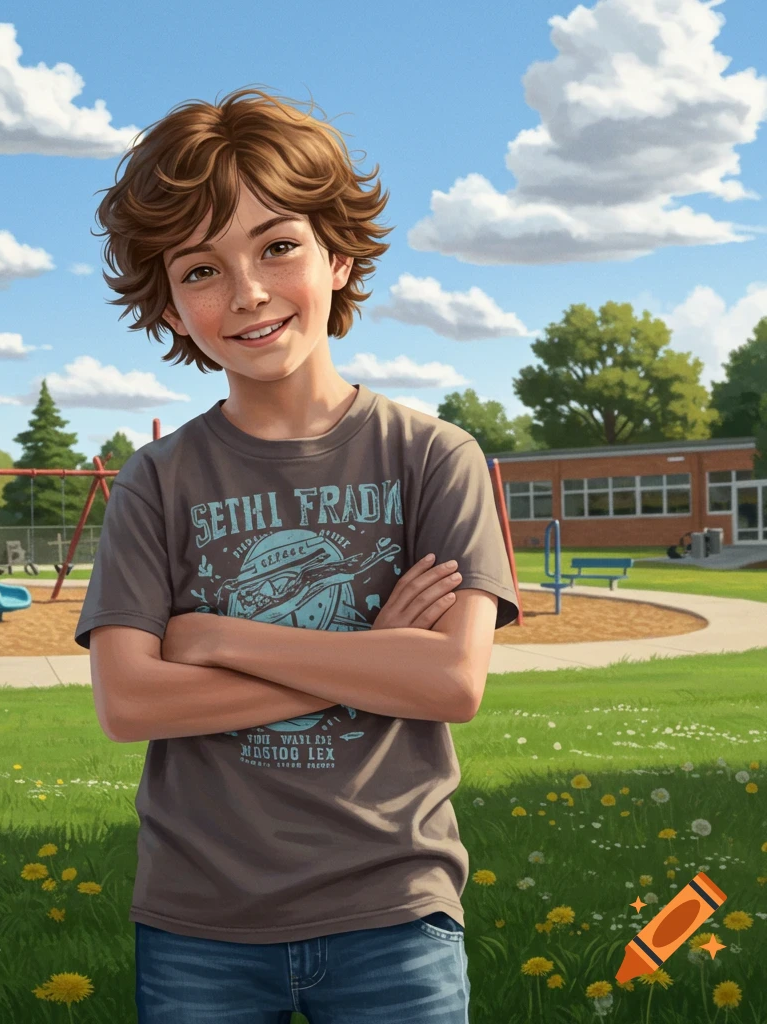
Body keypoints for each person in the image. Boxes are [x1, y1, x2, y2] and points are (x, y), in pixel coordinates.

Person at [75, 86, 520, 1024]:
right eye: (200, 269)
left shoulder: (434, 457)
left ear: (338, 254)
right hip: (199, 920)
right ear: (168, 304)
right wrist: (371, 659)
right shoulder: (155, 482)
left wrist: (213, 636)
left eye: (278, 246)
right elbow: (132, 703)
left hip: (395, 906)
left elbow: (450, 683)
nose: (246, 293)